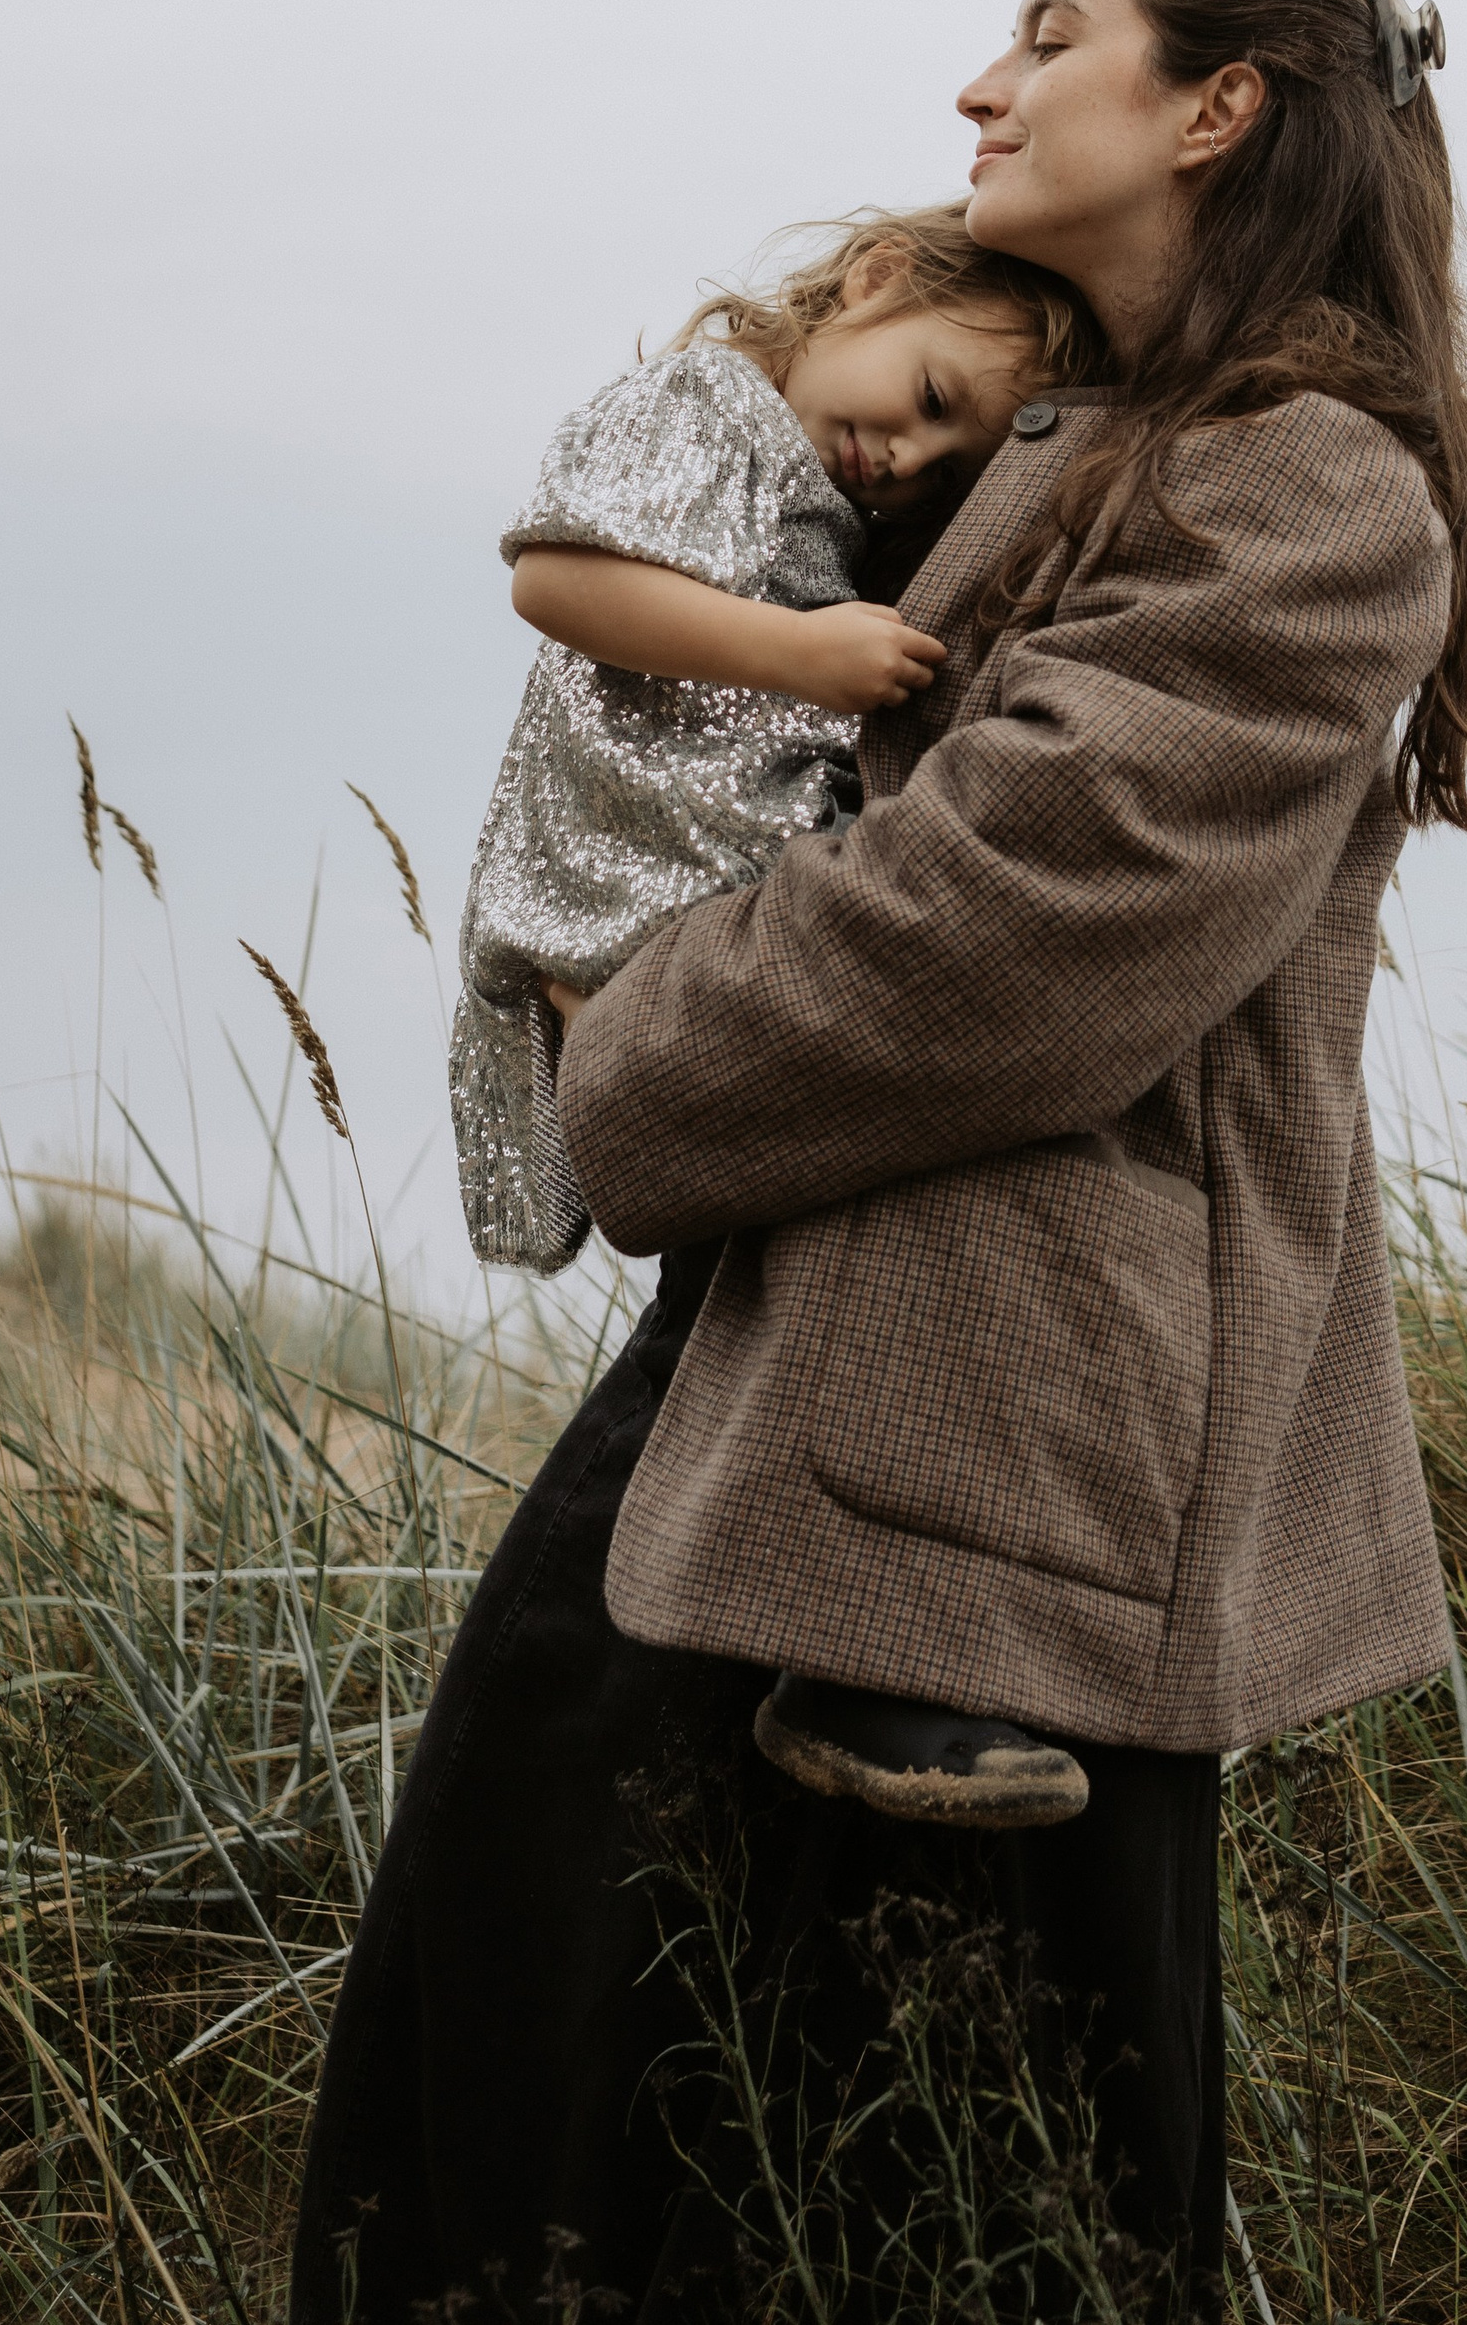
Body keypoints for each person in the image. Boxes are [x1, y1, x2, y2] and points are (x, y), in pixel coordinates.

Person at [290, 0, 1467, 2325]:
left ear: (1215, 107)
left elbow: (1004, 931)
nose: (979, 79)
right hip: (789, 1387)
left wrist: (614, 1052)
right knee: (535, 2134)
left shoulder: (1305, 482)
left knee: (915, 2214)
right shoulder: (1052, 423)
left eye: (1050, 33)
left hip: (1005, 1513)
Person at [449, 201, 1109, 1825]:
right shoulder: (707, 407)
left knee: (849, 1243)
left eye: (947, 450)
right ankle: (854, 1656)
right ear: (874, 280)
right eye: (930, 396)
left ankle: (846, 1636)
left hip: (718, 893)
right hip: (633, 892)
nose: (907, 450)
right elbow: (557, 578)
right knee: (868, 1209)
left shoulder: (815, 488)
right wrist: (798, 655)